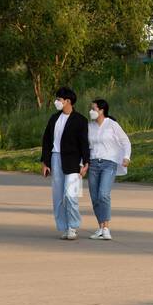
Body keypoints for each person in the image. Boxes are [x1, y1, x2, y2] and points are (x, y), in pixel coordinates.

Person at [40, 86, 91, 240]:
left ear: (68, 101)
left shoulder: (80, 120)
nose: (56, 102)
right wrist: (45, 162)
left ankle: (73, 226)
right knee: (58, 196)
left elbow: (84, 143)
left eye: (59, 99)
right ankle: (63, 227)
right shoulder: (54, 118)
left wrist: (86, 162)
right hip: (55, 158)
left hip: (74, 161)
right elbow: (46, 141)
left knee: (71, 195)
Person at [86, 99, 131, 241]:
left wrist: (126, 157)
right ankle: (100, 227)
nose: (91, 111)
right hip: (93, 163)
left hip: (108, 163)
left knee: (103, 194)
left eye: (93, 108)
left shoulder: (112, 125)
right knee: (95, 197)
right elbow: (86, 146)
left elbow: (125, 141)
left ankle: (106, 228)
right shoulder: (89, 126)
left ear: (101, 110)